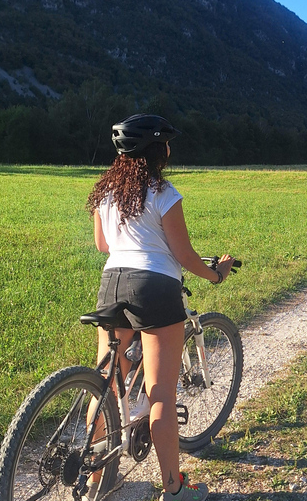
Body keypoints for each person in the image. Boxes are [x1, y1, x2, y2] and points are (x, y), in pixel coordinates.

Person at [85, 114, 236, 501]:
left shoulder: (106, 193)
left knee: (103, 384)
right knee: (161, 396)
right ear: (158, 150)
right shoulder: (163, 192)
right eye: (166, 144)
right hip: (154, 288)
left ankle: (93, 481)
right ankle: (174, 489)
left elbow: (104, 245)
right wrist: (215, 274)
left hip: (111, 282)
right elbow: (184, 255)